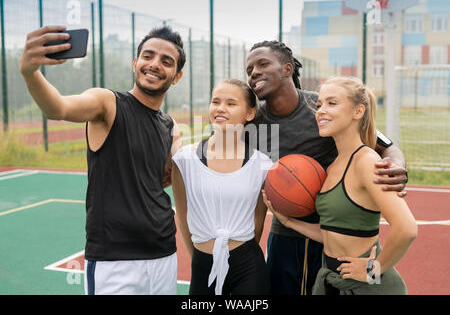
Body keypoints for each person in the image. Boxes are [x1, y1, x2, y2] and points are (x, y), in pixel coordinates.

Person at [19, 25, 186, 295]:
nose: (154, 64)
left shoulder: (170, 126)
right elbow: (58, 108)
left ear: (176, 76)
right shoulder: (107, 103)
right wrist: (30, 72)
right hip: (114, 260)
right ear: (135, 63)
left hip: (163, 254)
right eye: (148, 56)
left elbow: (166, 178)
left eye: (166, 61)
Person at [245, 40, 409, 295]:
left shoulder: (321, 108)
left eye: (263, 64)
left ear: (288, 69)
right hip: (285, 232)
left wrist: (396, 165)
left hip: (332, 235)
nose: (254, 72)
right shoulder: (253, 125)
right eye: (249, 69)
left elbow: (385, 144)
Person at [171, 79, 273, 295]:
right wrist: (199, 258)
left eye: (231, 103)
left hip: (247, 268)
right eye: (215, 101)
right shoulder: (184, 159)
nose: (220, 108)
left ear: (250, 113)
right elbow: (182, 214)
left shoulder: (263, 165)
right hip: (201, 266)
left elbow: (258, 221)